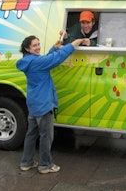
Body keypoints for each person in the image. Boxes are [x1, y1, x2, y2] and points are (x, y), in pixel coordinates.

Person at [17, 35, 83, 174]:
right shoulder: (37, 62)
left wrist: (54, 47)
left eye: (38, 44)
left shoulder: (28, 61)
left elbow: (45, 59)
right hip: (43, 104)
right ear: (27, 48)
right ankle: (45, 165)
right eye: (34, 45)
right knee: (46, 136)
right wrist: (73, 44)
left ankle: (26, 162)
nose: (38, 47)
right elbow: (54, 59)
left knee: (31, 134)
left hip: (34, 103)